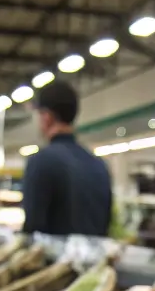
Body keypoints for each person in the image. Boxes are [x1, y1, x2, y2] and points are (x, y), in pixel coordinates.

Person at [22, 81, 112, 237]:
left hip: (55, 260)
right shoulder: (99, 165)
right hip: (94, 260)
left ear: (47, 117)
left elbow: (33, 230)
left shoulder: (41, 161)